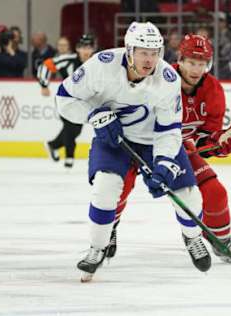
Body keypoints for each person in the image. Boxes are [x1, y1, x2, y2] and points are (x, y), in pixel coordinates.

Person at [55, 22, 211, 282]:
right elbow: (64, 99)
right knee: (106, 188)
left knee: (188, 195)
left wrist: (162, 164)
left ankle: (193, 237)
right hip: (114, 139)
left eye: (154, 52)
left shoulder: (167, 79)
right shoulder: (101, 65)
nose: (149, 59)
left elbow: (169, 129)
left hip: (154, 141)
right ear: (129, 50)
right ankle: (97, 248)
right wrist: (94, 115)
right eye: (142, 52)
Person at [108, 34, 231, 264]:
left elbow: (203, 142)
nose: (196, 69)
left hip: (177, 149)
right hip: (138, 142)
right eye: (191, 62)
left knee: (215, 192)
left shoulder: (213, 90)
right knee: (119, 187)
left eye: (202, 63)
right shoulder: (160, 78)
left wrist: (221, 143)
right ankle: (107, 229)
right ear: (180, 60)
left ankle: (222, 243)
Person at [40, 34, 96, 168]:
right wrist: (44, 85)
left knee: (76, 129)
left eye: (89, 47)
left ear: (94, 48)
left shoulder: (98, 61)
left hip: (83, 102)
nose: (86, 51)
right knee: (71, 126)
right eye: (83, 47)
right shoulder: (68, 60)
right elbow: (47, 65)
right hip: (65, 100)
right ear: (77, 48)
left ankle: (52, 145)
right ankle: (69, 158)